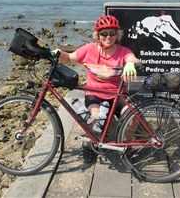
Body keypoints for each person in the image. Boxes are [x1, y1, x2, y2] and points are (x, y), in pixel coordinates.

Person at [56, 15, 142, 163]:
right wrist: (57, 53)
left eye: (112, 33)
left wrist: (130, 64)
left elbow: (134, 59)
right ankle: (87, 144)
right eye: (104, 33)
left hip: (118, 94)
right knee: (94, 119)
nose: (108, 37)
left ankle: (125, 145)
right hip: (95, 94)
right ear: (98, 35)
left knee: (133, 119)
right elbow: (70, 58)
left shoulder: (123, 51)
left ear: (117, 34)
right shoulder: (89, 49)